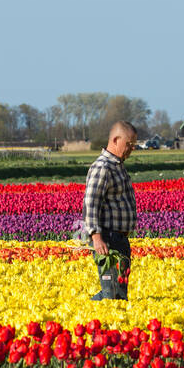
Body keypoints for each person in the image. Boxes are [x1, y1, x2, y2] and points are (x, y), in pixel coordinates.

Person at [83, 122, 137, 300]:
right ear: (115, 140)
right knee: (111, 294)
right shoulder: (102, 167)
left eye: (133, 145)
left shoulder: (117, 165)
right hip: (108, 240)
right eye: (129, 144)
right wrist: (96, 238)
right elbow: (91, 204)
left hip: (119, 239)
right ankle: (90, 315)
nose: (131, 149)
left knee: (119, 293)